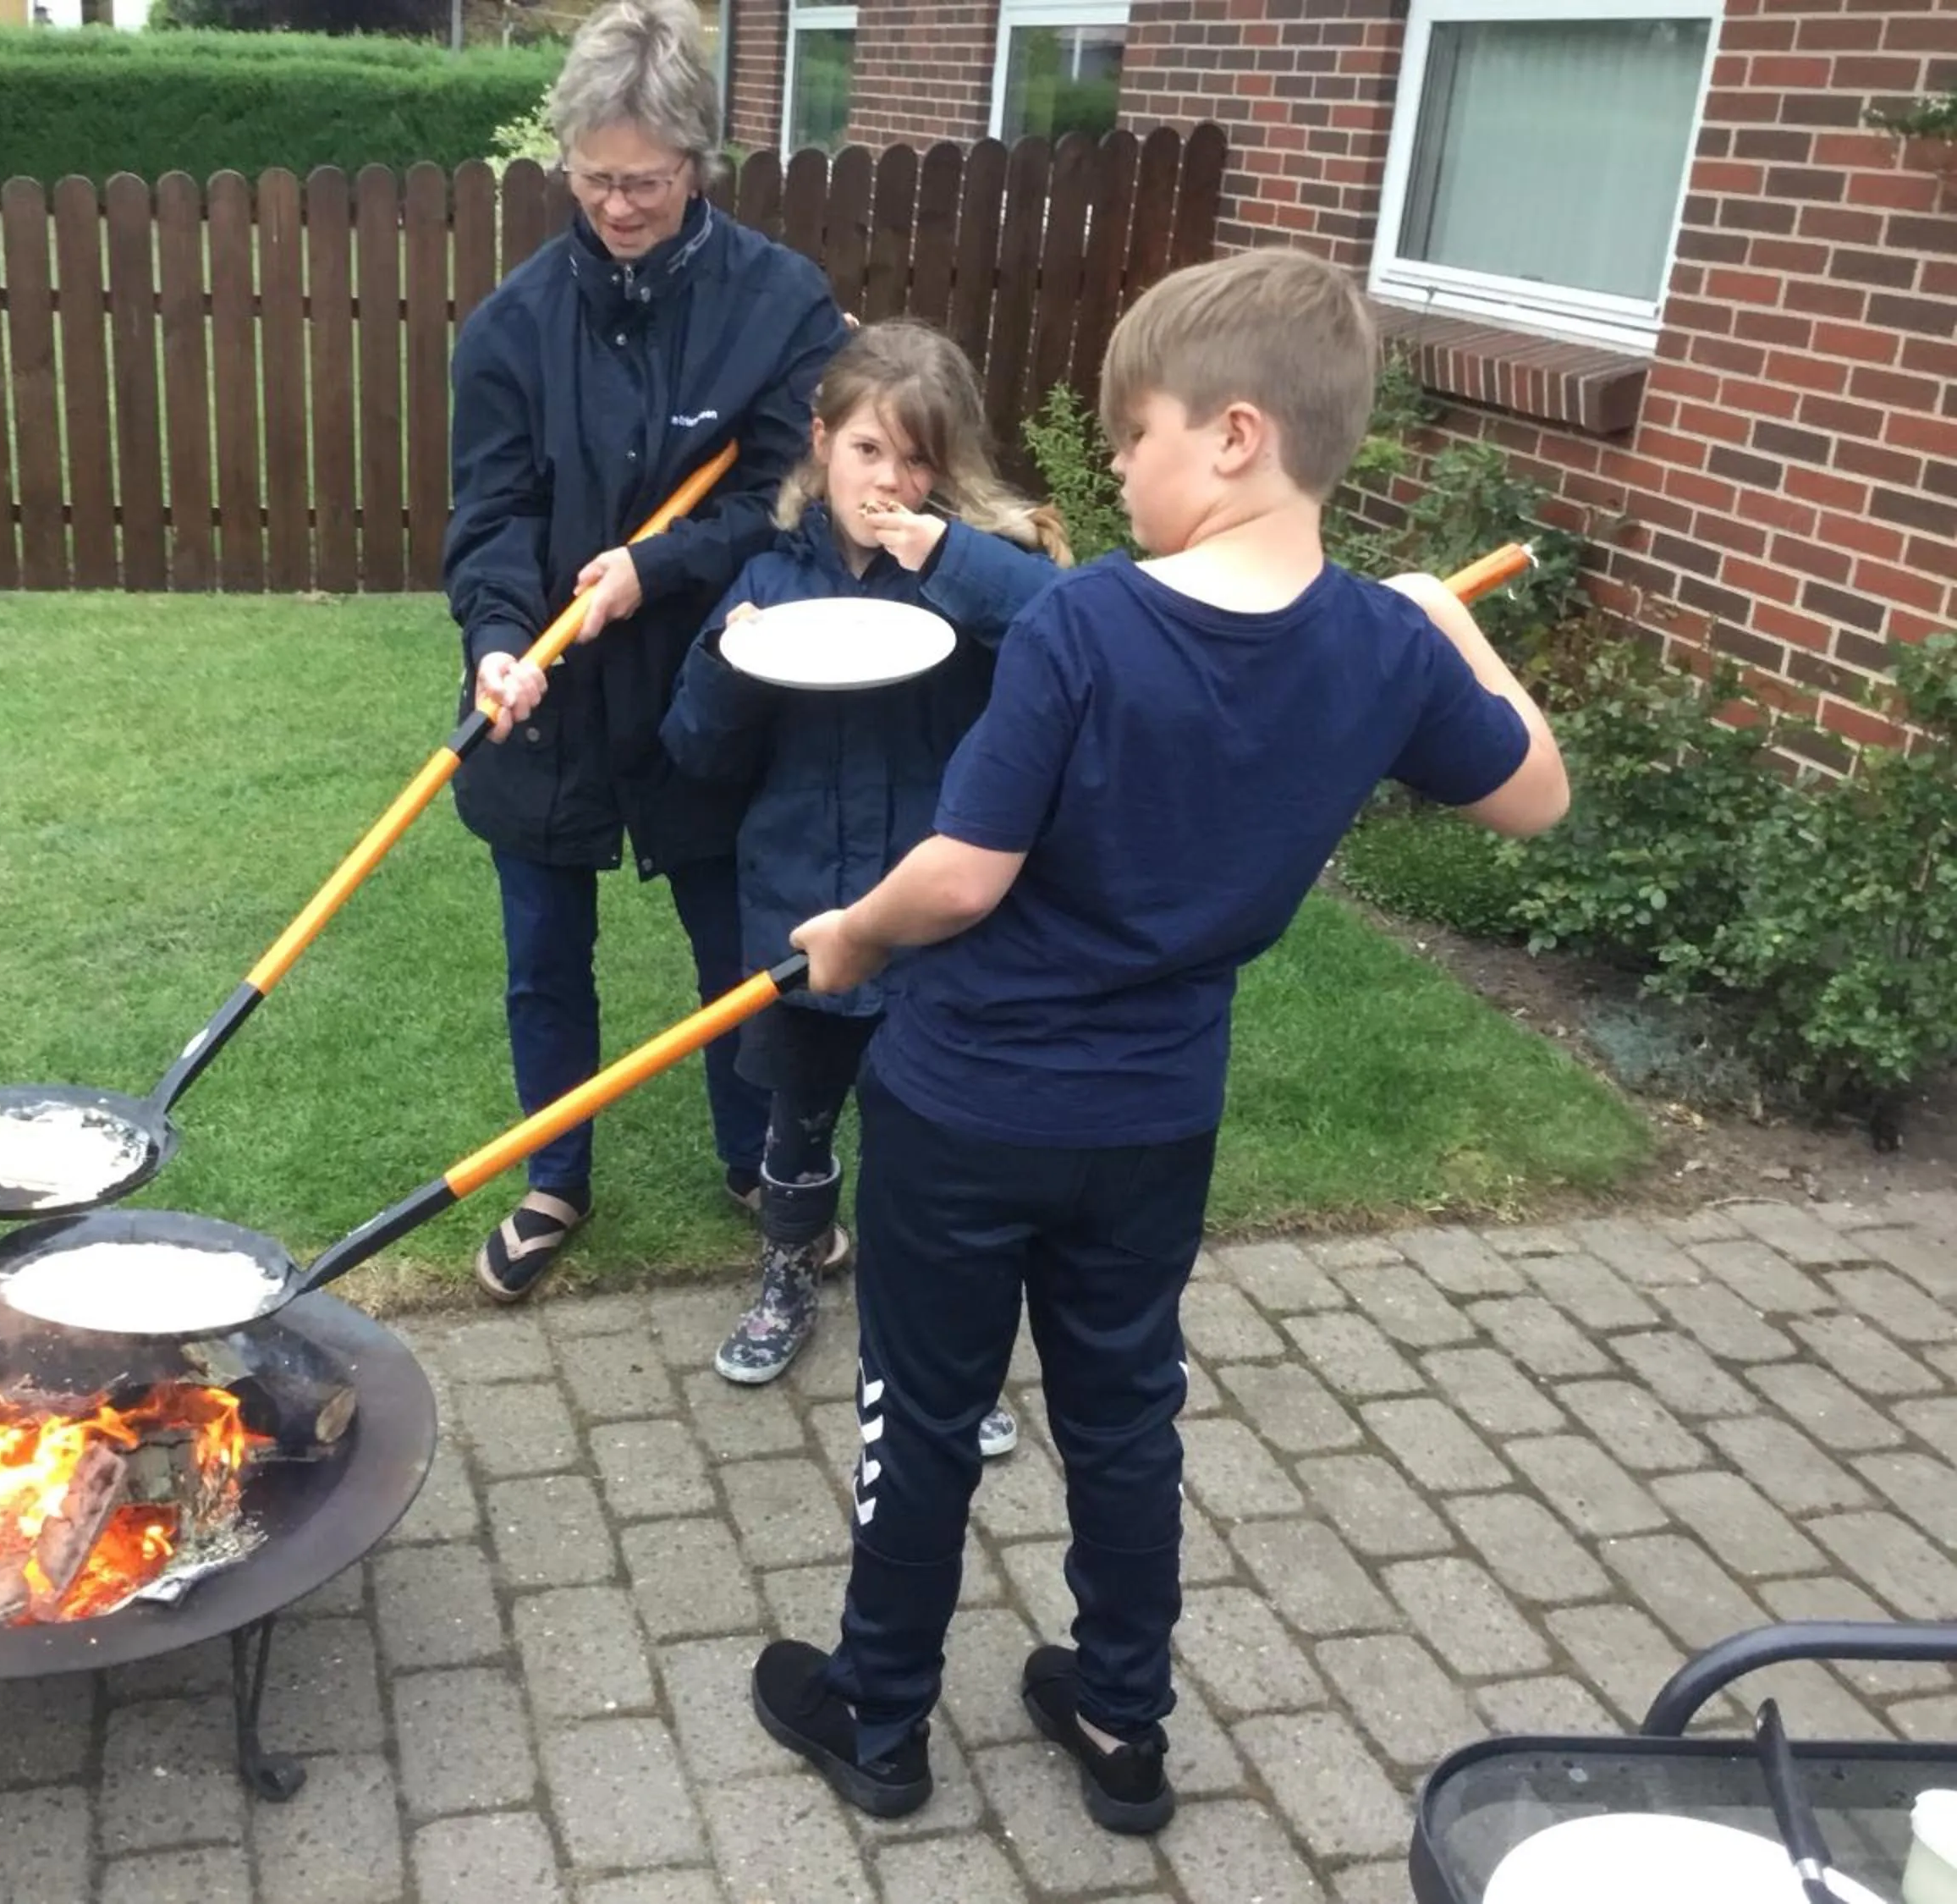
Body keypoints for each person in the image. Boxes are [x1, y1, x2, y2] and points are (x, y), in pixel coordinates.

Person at [743, 245, 1572, 1829]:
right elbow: (1535, 791)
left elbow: (968, 873)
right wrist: (1446, 631)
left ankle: (881, 1714)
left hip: (971, 1099)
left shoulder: (1090, 626)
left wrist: (848, 933)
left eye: (1138, 435)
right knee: (1124, 1411)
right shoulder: (1380, 646)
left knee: (923, 1407)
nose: (1118, 465)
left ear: (1239, 435)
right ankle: (1124, 1724)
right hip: (1152, 1125)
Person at [443, 0, 851, 1302]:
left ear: (698, 164)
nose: (620, 205)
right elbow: (493, 514)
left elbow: (788, 501)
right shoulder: (510, 329)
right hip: (549, 703)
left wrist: (653, 568)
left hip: (710, 683)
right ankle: (554, 1172)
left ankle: (756, 1160)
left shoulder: (782, 307)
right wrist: (503, 642)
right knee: (540, 953)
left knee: (737, 948)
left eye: (649, 182)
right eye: (598, 178)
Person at [661, 320, 1069, 1472]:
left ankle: (940, 1351)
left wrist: (944, 552)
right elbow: (693, 750)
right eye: (873, 455)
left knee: (932, 1151)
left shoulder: (988, 567)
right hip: (795, 905)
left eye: (921, 460)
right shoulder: (769, 578)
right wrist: (721, 660)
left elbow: (1065, 629)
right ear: (822, 444)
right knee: (796, 1126)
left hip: (939, 920)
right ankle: (787, 1277)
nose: (894, 485)